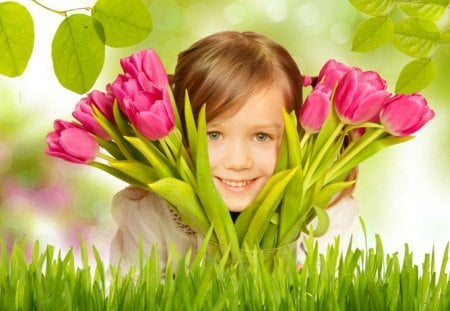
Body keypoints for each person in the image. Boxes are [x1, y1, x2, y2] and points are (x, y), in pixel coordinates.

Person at [109, 31, 360, 272]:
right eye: (214, 135)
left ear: (296, 137)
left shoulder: (328, 212)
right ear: (181, 133)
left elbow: (346, 290)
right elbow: (123, 290)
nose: (238, 162)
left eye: (261, 136)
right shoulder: (151, 212)